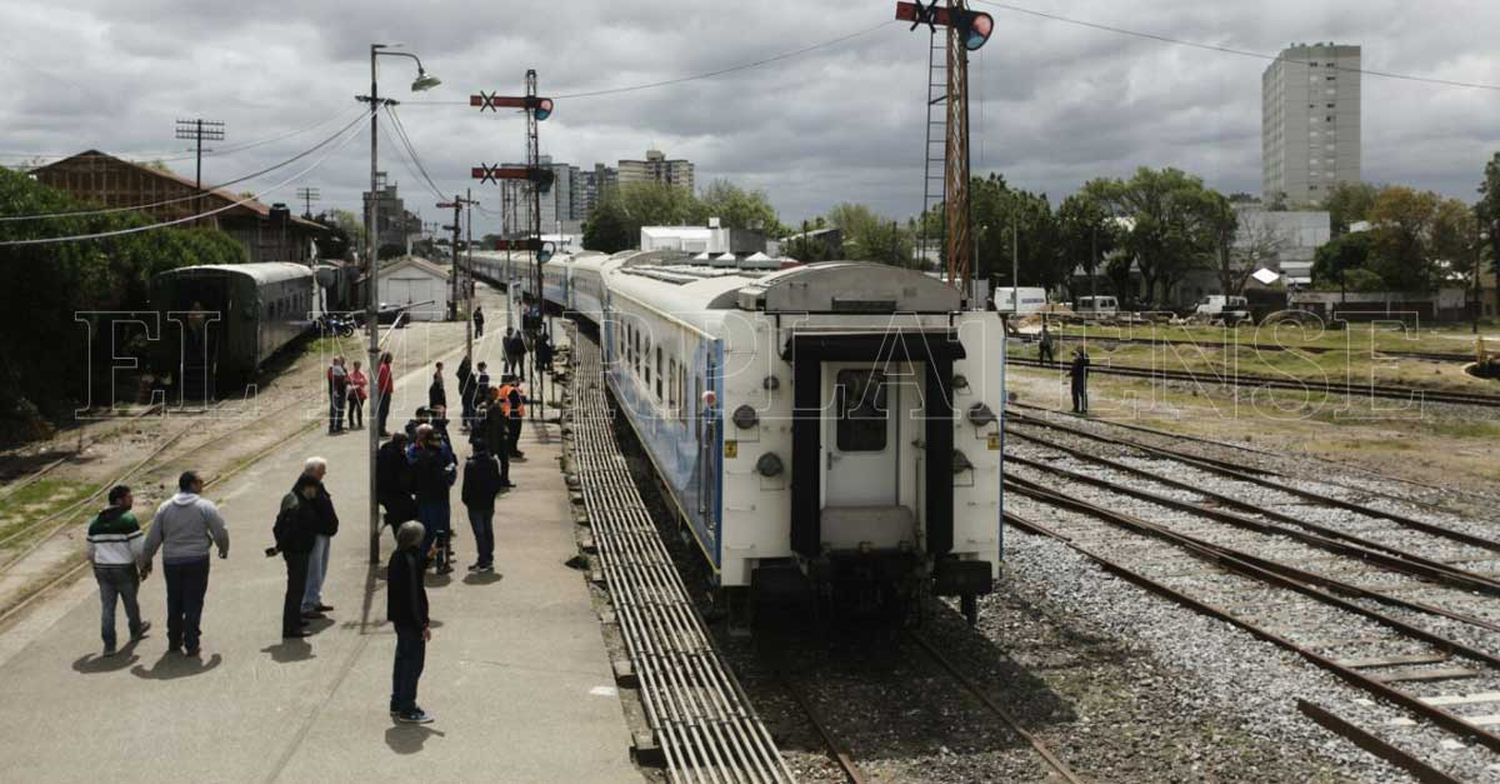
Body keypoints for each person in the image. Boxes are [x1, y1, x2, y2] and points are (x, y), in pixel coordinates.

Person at [141, 471, 229, 656]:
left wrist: (145, 559)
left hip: (171, 561)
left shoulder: (164, 508)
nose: (203, 485)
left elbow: (153, 538)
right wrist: (223, 548)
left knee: (174, 600)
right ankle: (192, 642)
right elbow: (220, 531)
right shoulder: (205, 506)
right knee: (194, 601)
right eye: (200, 482)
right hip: (197, 560)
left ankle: (174, 640)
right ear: (192, 484)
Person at [86, 485, 150, 655]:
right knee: (130, 602)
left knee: (108, 607)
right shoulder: (128, 520)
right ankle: (135, 630)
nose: (132, 500)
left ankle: (109, 645)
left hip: (102, 569)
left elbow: (90, 552)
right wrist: (143, 566)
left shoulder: (95, 522)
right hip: (124, 569)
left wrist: (95, 568)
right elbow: (138, 549)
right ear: (119, 500)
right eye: (129, 498)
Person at [388, 521, 433, 724]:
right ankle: (408, 707)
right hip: (411, 620)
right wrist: (422, 624)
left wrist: (427, 559)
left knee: (402, 660)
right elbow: (414, 596)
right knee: (413, 664)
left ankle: (397, 702)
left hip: (399, 618)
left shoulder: (398, 557)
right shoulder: (410, 561)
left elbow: (414, 570)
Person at [274, 471, 322, 639]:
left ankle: (295, 620)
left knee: (297, 589)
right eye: (314, 489)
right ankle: (290, 628)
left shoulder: (293, 498)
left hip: (296, 550)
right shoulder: (297, 505)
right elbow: (291, 530)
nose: (315, 493)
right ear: (307, 488)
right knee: (295, 590)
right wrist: (282, 547)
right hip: (297, 551)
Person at [407, 425, 455, 573]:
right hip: (438, 499)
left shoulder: (419, 457)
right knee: (440, 532)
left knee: (426, 533)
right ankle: (441, 563)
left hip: (424, 498)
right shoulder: (433, 456)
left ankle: (422, 562)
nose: (439, 442)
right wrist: (447, 477)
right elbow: (446, 473)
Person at [297, 458, 339, 620]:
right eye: (321, 471)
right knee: (313, 570)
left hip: (323, 532)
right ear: (312, 471)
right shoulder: (307, 485)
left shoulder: (315, 483)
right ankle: (307, 604)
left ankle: (315, 599)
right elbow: (308, 510)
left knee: (320, 568)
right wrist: (319, 525)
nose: (324, 474)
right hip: (316, 533)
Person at [461, 443, 502, 573]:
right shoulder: (493, 463)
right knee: (488, 530)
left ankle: (483, 560)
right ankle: (488, 558)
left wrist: (466, 500)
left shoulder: (470, 465)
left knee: (479, 533)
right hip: (488, 503)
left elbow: (466, 486)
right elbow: (497, 482)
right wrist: (492, 496)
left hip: (474, 504)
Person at [377, 433, 417, 532]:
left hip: (388, 492)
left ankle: (390, 521)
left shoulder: (388, 451)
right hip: (393, 492)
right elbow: (401, 475)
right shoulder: (395, 456)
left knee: (400, 518)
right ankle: (387, 518)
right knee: (409, 511)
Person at [479, 392, 515, 490]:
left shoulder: (493, 407)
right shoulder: (490, 407)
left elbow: (501, 420)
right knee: (494, 462)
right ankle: (495, 481)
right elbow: (493, 421)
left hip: (496, 437)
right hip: (493, 438)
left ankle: (502, 480)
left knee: (502, 461)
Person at [503, 376, 526, 459]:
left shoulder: (508, 389)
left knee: (512, 434)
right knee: (514, 434)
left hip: (510, 414)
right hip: (514, 415)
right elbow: (517, 401)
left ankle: (512, 450)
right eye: (517, 380)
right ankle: (512, 451)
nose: (518, 382)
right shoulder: (512, 390)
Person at [377, 351, 395, 437]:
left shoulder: (385, 366)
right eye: (390, 357)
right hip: (384, 392)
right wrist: (387, 390)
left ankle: (381, 428)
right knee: (383, 411)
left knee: (384, 411)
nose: (392, 359)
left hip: (385, 391)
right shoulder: (383, 367)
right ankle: (381, 430)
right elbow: (384, 381)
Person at [327, 357, 348, 434]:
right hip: (334, 392)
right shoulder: (331, 369)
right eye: (338, 361)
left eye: (341, 361)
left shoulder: (344, 369)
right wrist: (342, 378)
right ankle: (332, 427)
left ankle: (339, 426)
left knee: (341, 409)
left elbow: (347, 378)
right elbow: (332, 379)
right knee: (334, 409)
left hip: (342, 391)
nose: (340, 363)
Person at [1068, 347, 1091, 414]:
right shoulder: (1077, 358)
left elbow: (1080, 367)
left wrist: (1078, 358)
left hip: (1081, 377)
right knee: (1074, 393)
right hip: (1075, 377)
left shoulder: (1084, 358)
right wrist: (1070, 373)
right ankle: (1076, 408)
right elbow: (1074, 368)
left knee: (1082, 393)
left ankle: (1084, 410)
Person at [347, 360, 368, 430]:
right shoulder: (350, 374)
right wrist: (359, 382)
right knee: (351, 409)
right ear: (354, 366)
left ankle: (360, 423)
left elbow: (365, 381)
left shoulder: (362, 374)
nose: (358, 367)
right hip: (353, 394)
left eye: (359, 366)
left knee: (359, 409)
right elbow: (349, 381)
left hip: (360, 394)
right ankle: (351, 423)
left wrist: (357, 382)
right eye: (357, 366)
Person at [456, 356, 474, 430]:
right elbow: (472, 382)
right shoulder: (467, 372)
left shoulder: (461, 372)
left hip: (463, 391)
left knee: (465, 407)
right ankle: (471, 422)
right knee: (469, 407)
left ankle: (465, 422)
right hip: (469, 392)